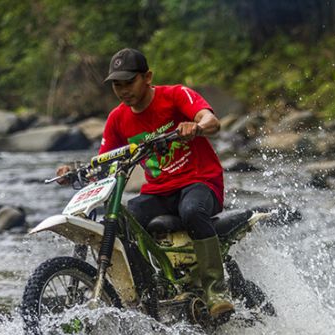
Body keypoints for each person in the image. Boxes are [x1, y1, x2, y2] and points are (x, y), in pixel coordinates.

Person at [57, 47, 233, 319]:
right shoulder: (118, 118)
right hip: (159, 191)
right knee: (122, 221)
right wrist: (75, 173)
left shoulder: (174, 96)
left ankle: (215, 291)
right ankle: (148, 291)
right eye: (117, 84)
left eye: (129, 82)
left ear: (147, 77)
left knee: (192, 211)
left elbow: (211, 120)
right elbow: (105, 163)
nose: (123, 90)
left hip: (200, 182)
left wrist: (195, 127)